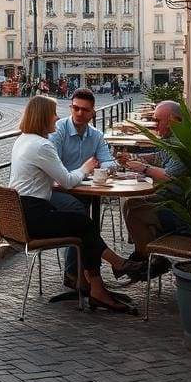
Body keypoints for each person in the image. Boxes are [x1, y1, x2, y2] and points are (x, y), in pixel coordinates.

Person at [9, 96, 146, 312]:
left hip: (21, 213)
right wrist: (86, 167)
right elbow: (67, 181)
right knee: (85, 224)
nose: (57, 117)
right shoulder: (42, 146)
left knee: (83, 224)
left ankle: (96, 283)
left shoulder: (24, 140)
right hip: (34, 217)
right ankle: (109, 272)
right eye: (54, 112)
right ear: (43, 116)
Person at [50, 87, 119, 288]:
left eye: (85, 110)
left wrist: (108, 167)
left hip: (82, 191)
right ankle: (77, 273)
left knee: (84, 218)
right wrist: (84, 170)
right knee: (82, 219)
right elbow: (53, 165)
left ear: (93, 112)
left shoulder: (96, 136)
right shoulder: (59, 130)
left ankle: (85, 274)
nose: (80, 113)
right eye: (76, 108)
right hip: (57, 190)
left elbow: (107, 160)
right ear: (71, 108)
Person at [117, 100, 191, 268]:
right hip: (171, 200)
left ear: (173, 121)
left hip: (181, 212)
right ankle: (147, 255)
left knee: (135, 209)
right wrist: (134, 159)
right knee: (131, 204)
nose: (154, 125)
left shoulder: (183, 145)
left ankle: (149, 261)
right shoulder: (174, 140)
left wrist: (144, 168)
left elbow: (169, 176)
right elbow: (159, 157)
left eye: (158, 121)